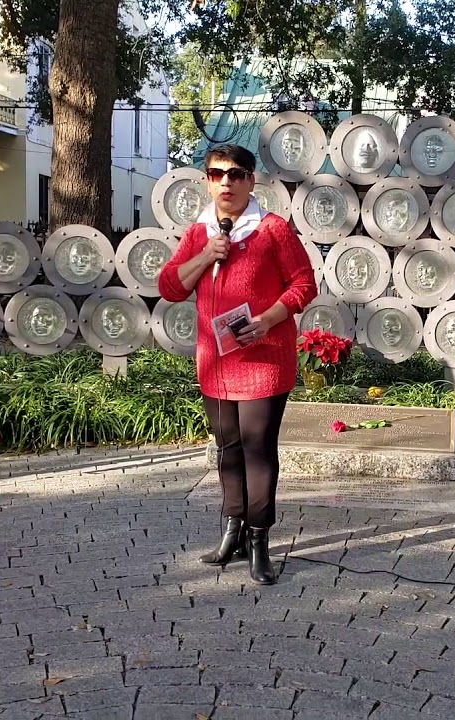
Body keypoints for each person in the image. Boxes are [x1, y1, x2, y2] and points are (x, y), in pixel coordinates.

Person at [157, 144, 318, 585]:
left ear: (251, 181)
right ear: (207, 181)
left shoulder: (272, 229)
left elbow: (304, 284)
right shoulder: (199, 233)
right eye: (216, 174)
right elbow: (170, 287)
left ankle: (260, 539)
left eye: (236, 174)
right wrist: (206, 255)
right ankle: (233, 531)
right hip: (215, 364)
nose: (225, 182)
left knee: (257, 449)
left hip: (263, 360)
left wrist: (267, 319)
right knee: (227, 449)